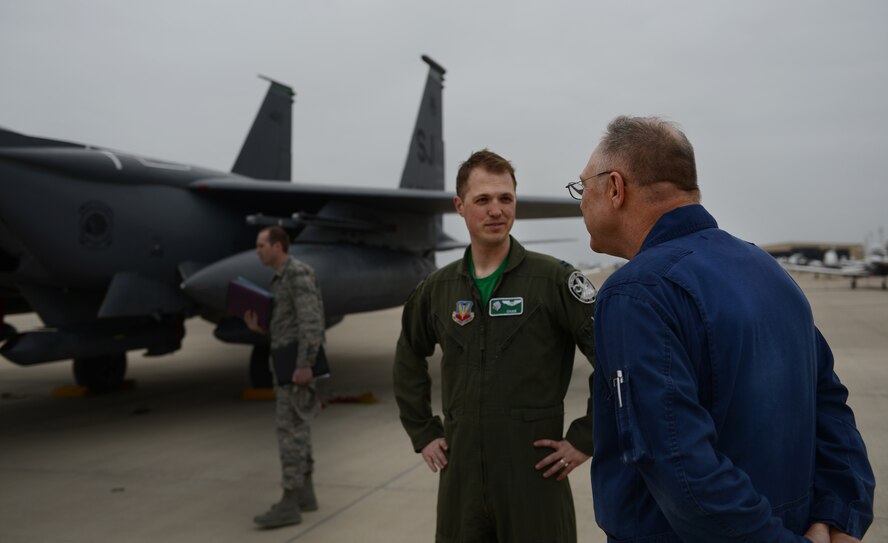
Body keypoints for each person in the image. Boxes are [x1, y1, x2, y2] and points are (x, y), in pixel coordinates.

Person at [572, 116, 875, 542]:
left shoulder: (635, 294)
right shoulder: (768, 271)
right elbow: (829, 406)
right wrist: (840, 514)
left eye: (581, 188)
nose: (580, 203)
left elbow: (679, 465)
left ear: (616, 188)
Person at [393, 149, 597, 542]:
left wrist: (586, 437)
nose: (496, 210)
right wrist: (423, 430)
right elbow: (408, 355)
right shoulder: (438, 289)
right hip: (461, 477)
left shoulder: (552, 281)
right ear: (460, 206)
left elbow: (614, 358)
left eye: (506, 198)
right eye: (483, 199)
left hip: (534, 476)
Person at [244, 225, 325, 528]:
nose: (258, 250)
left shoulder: (296, 273)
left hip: (295, 368)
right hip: (287, 366)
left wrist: (305, 364)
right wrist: (261, 329)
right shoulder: (280, 278)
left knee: (290, 432)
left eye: (261, 244)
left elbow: (311, 321)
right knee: (298, 429)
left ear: (278, 246)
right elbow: (290, 323)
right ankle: (306, 495)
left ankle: (289, 503)